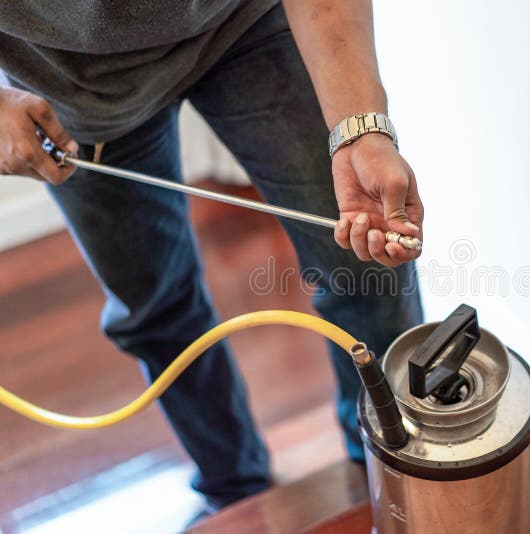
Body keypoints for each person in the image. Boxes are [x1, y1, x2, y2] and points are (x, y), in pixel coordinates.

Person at [0, 0, 424, 513]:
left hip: (240, 23)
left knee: (366, 264)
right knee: (155, 312)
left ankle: (393, 473)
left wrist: (362, 130)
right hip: (64, 83)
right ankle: (236, 496)